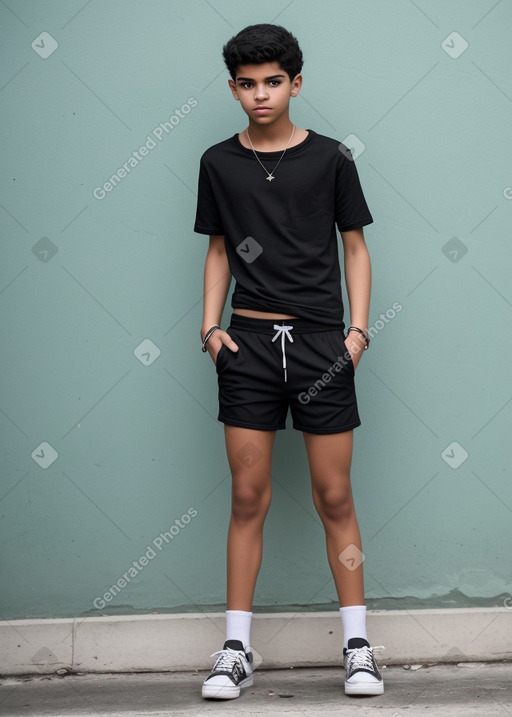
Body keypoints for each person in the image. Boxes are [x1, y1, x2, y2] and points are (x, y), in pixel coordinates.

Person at [194, 23, 383, 700]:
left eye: (273, 81)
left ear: (295, 83)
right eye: (247, 83)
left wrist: (356, 334)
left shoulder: (331, 158)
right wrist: (210, 328)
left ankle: (358, 647)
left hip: (321, 347)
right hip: (246, 344)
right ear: (233, 88)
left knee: (335, 495)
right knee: (248, 497)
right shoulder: (218, 162)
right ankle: (236, 649)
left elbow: (354, 247)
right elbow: (219, 249)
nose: (260, 94)